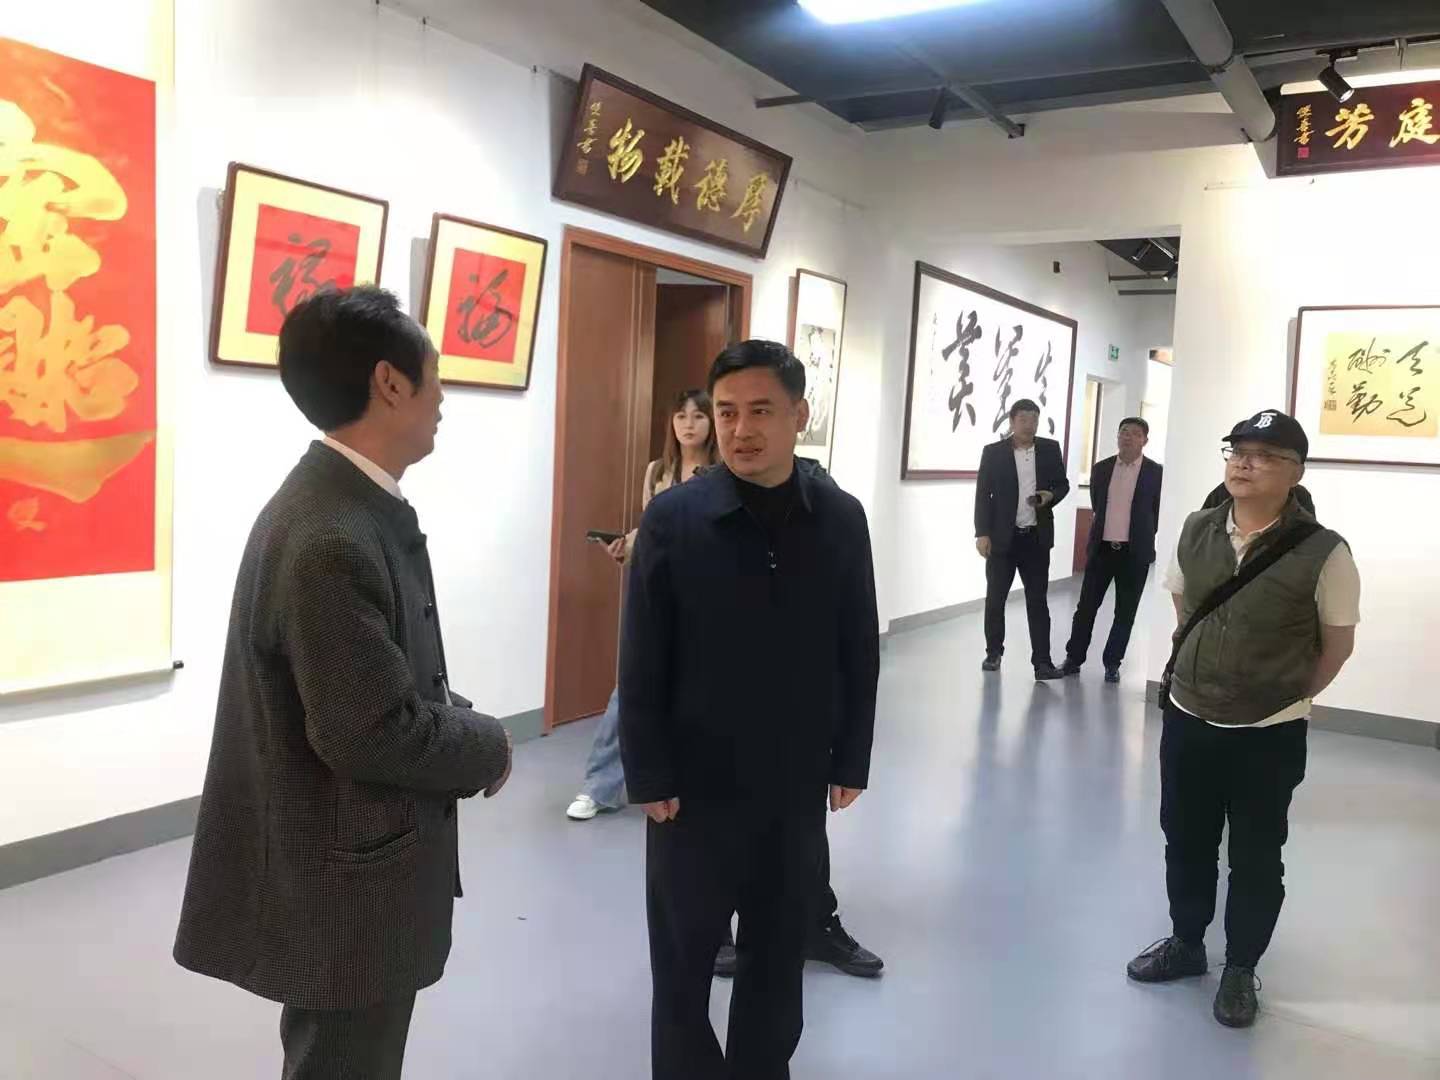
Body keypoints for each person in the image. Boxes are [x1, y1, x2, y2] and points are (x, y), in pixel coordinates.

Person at [173, 286, 514, 1079]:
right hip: (346, 886)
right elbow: (369, 729)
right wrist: (490, 744)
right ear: (391, 383)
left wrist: (455, 719)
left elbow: (375, 680)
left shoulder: (341, 506)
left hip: (345, 868)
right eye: (435, 375)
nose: (442, 398)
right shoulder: (331, 533)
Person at [621, 340, 879, 1079]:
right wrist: (648, 770)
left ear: (800, 415)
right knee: (682, 963)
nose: (740, 430)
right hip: (692, 790)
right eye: (727, 412)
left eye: (761, 411)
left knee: (776, 956)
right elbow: (642, 654)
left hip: (791, 785)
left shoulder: (839, 518)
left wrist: (851, 756)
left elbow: (858, 645)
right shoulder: (674, 519)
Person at [1127, 409, 1360, 1029]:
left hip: (1268, 732)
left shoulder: (1324, 551)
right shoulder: (1196, 528)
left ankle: (1240, 967)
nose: (1244, 463)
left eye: (1264, 456)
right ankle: (1186, 942)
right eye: (1237, 450)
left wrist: (1286, 696)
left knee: (1256, 855)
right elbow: (1185, 606)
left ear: (1296, 473)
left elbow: (1337, 644)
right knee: (1186, 837)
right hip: (1189, 717)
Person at [566, 389, 718, 823]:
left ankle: (691, 783)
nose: (688, 424)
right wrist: (626, 546)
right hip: (656, 590)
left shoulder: (722, 471)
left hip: (706, 593)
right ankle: (599, 786)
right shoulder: (657, 471)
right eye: (681, 416)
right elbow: (652, 529)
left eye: (698, 416)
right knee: (631, 686)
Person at [974, 398, 1071, 680]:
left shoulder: (1050, 449)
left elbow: (1062, 484)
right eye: (1023, 419)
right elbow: (983, 494)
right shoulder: (993, 453)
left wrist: (1050, 496)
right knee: (996, 599)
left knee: (1037, 601)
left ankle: (1042, 663)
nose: (1029, 425)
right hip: (1002, 539)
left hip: (1035, 539)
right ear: (1012, 421)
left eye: (1034, 419)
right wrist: (982, 533)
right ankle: (994, 652)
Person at [1062, 417, 1163, 683]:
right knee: (1086, 607)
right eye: (1123, 432)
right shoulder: (1102, 469)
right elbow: (1098, 504)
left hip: (1134, 554)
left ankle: (1112, 662)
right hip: (1102, 551)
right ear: (1117, 436)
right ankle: (1073, 658)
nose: (1127, 437)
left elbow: (1157, 512)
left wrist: (1142, 535)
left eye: (1135, 433)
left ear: (1145, 440)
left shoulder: (1156, 473)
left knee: (1125, 612)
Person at [1204, 478, 1315, 516]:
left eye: (1260, 455)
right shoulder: (1223, 492)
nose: (1243, 463)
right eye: (1237, 453)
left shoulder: (1298, 495)